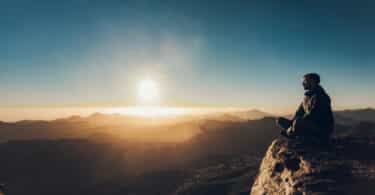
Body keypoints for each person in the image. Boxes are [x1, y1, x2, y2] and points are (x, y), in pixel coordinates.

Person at [276, 73, 334, 141]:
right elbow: (298, 112)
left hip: (321, 128)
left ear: (312, 81)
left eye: (305, 81)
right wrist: (291, 123)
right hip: (309, 124)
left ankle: (294, 135)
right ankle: (296, 134)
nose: (302, 83)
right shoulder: (307, 97)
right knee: (280, 120)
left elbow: (313, 115)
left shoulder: (320, 96)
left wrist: (293, 126)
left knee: (298, 122)